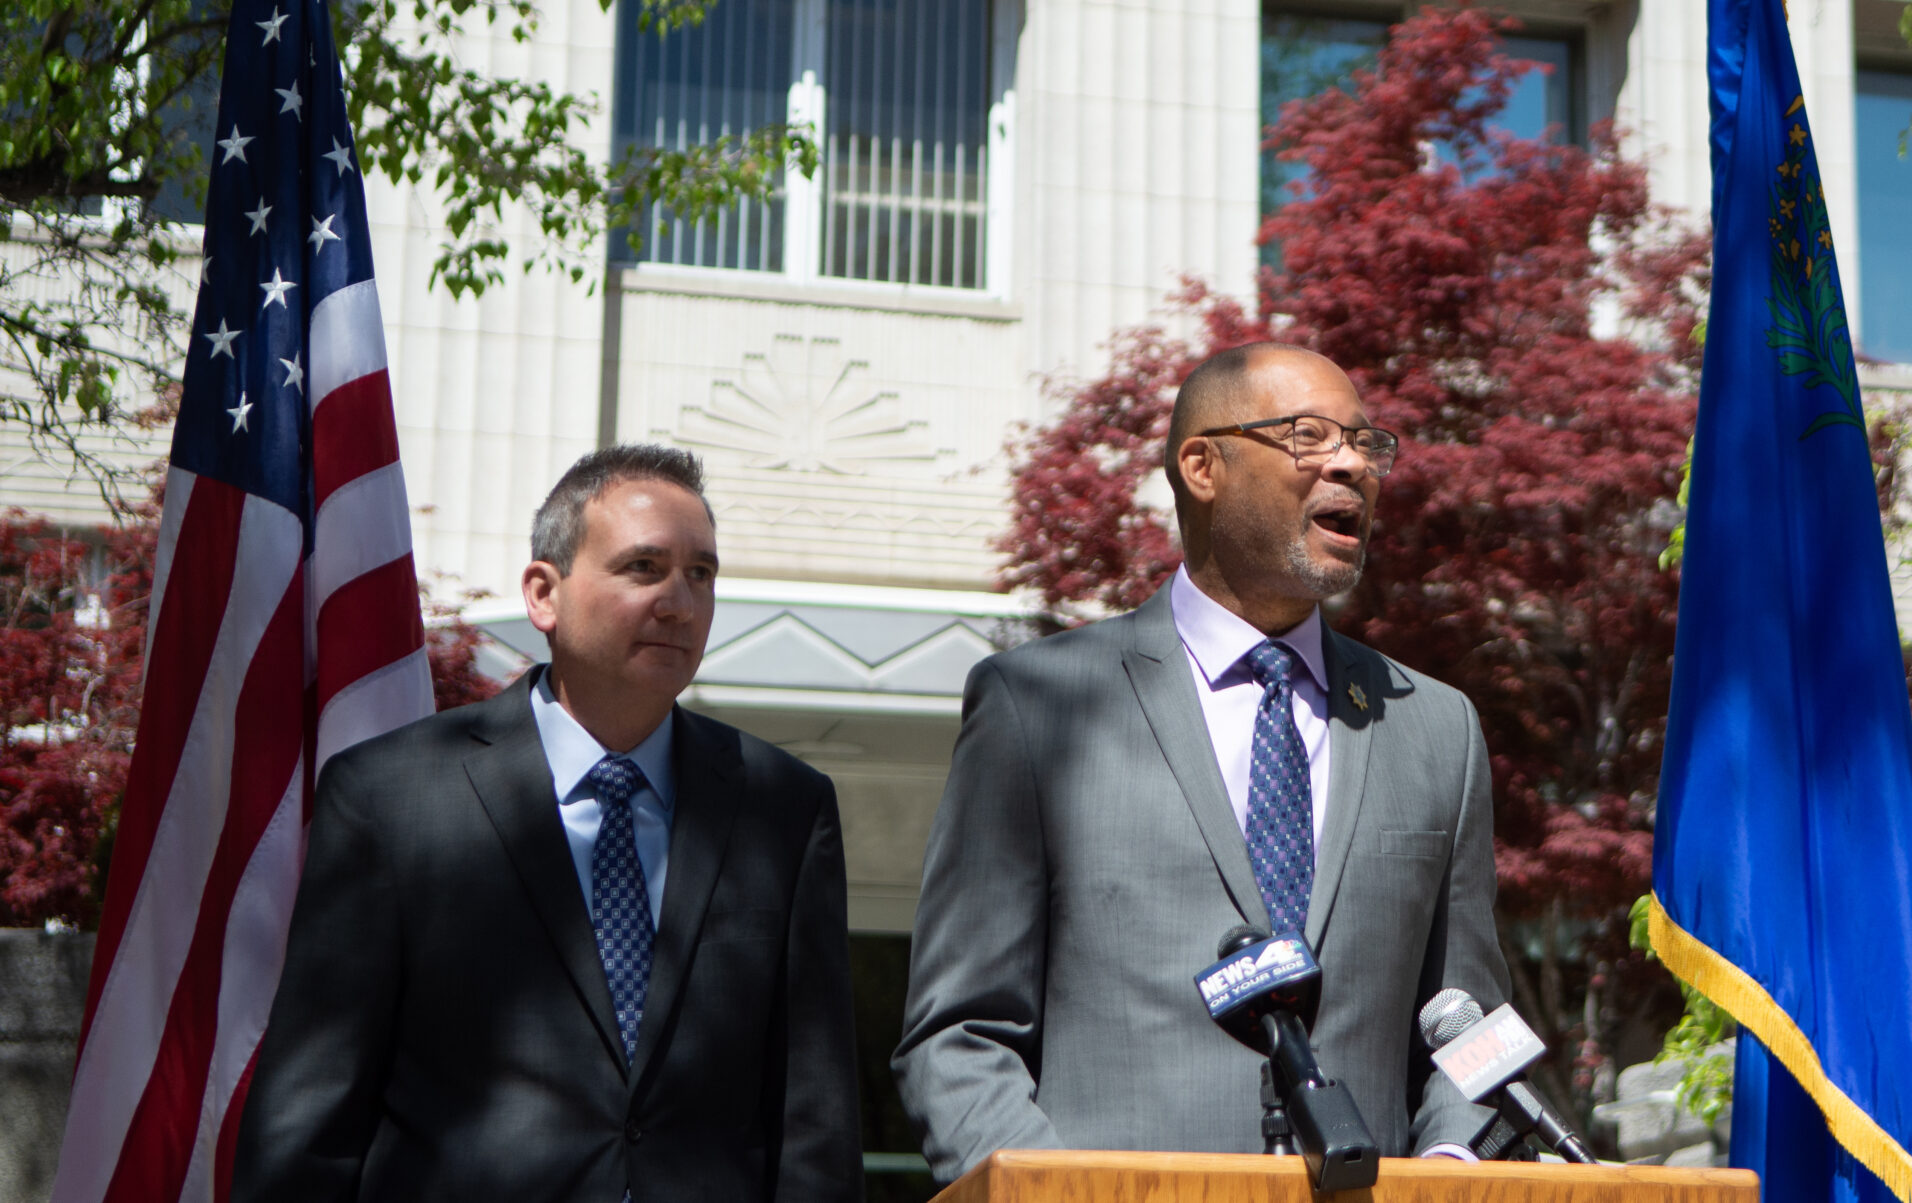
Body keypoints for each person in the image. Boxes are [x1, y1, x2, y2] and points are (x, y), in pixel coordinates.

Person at [895, 342, 1510, 1181]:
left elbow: (1470, 1023)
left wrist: (1446, 1165)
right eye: (1309, 435)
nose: (1351, 465)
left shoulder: (1436, 726)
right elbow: (960, 1033)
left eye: (1367, 444)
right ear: (1201, 465)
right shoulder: (1036, 703)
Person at [235, 444, 861, 1203]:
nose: (679, 601)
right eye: (644, 567)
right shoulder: (390, 799)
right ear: (543, 593)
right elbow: (311, 1119)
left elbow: (815, 1127)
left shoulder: (785, 809)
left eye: (701, 573)